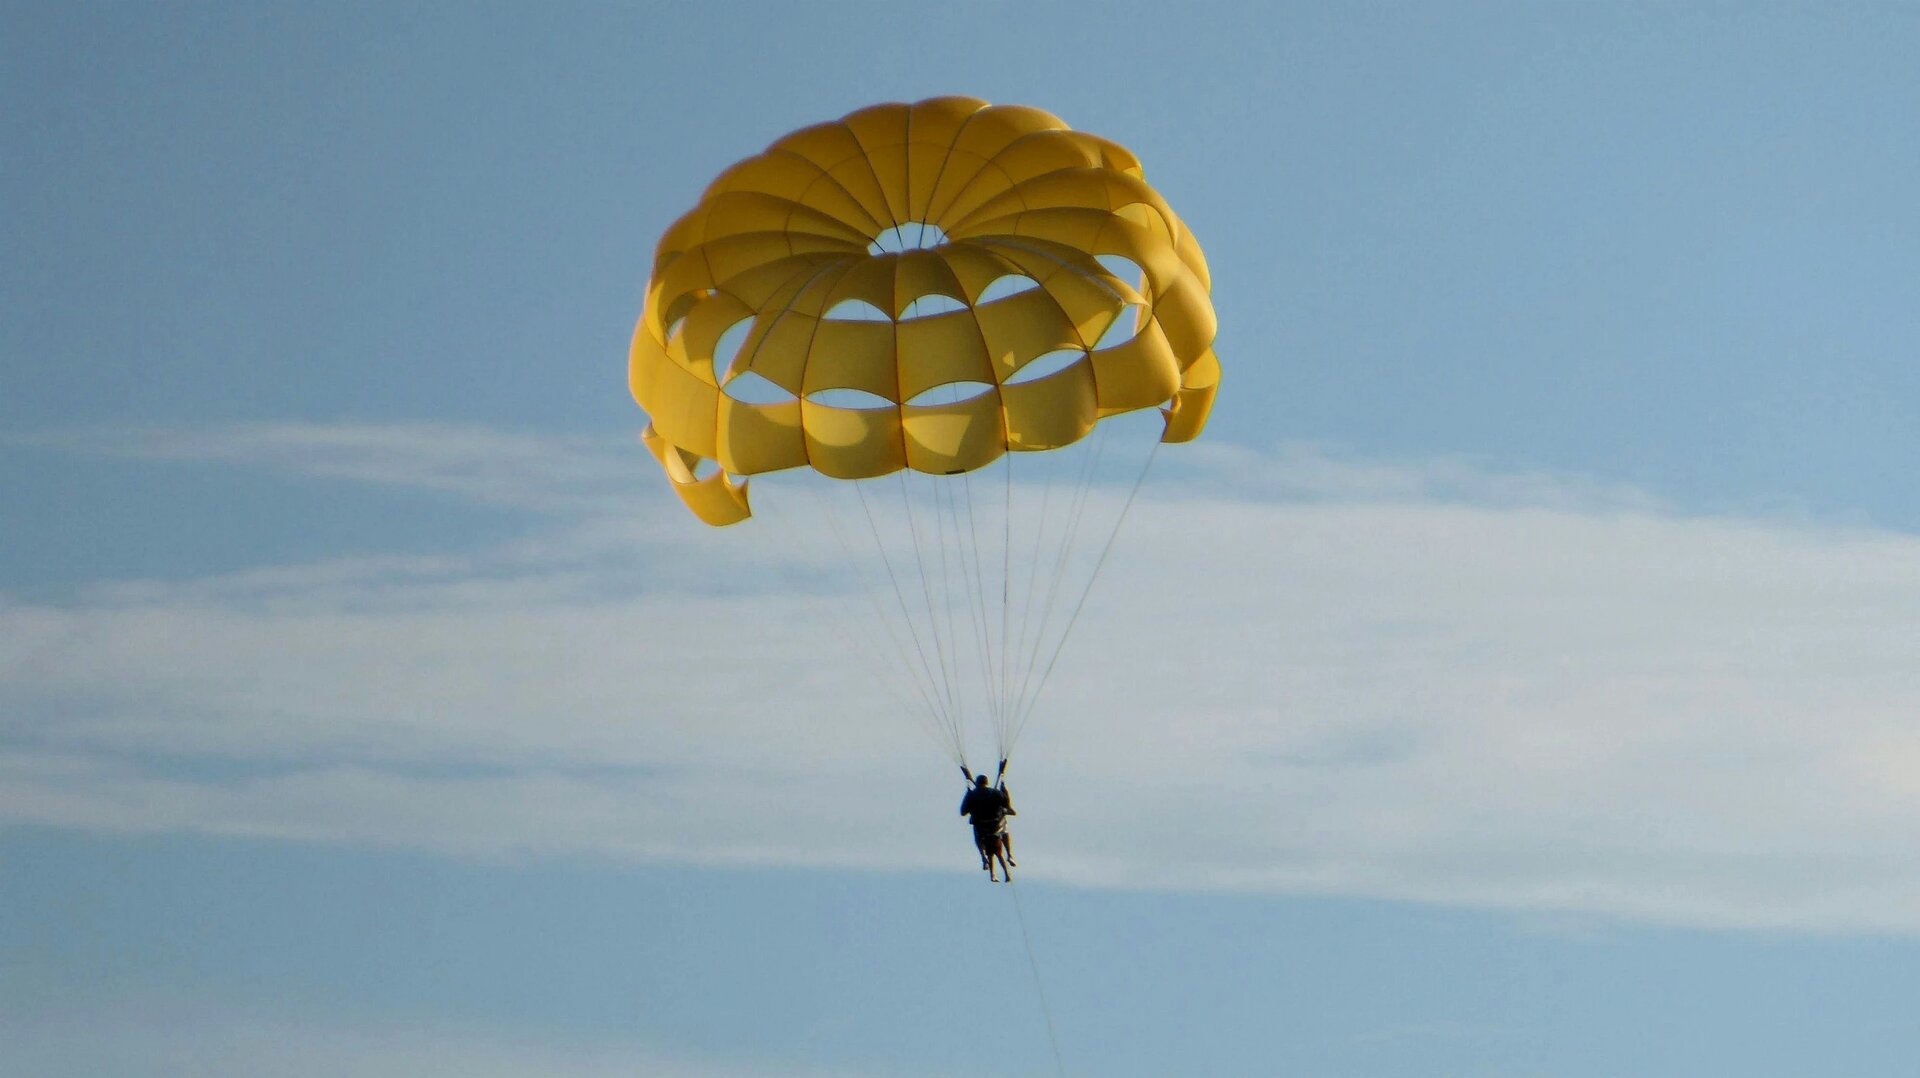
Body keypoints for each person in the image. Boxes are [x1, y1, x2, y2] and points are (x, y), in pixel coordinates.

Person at [959, 773, 1016, 882]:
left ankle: (983, 856)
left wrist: (968, 795)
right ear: (987, 783)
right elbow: (1007, 805)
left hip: (981, 828)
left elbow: (963, 812)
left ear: (978, 783)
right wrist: (1004, 790)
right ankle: (1009, 854)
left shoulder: (972, 795)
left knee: (977, 834)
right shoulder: (996, 793)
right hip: (996, 825)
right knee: (1004, 828)